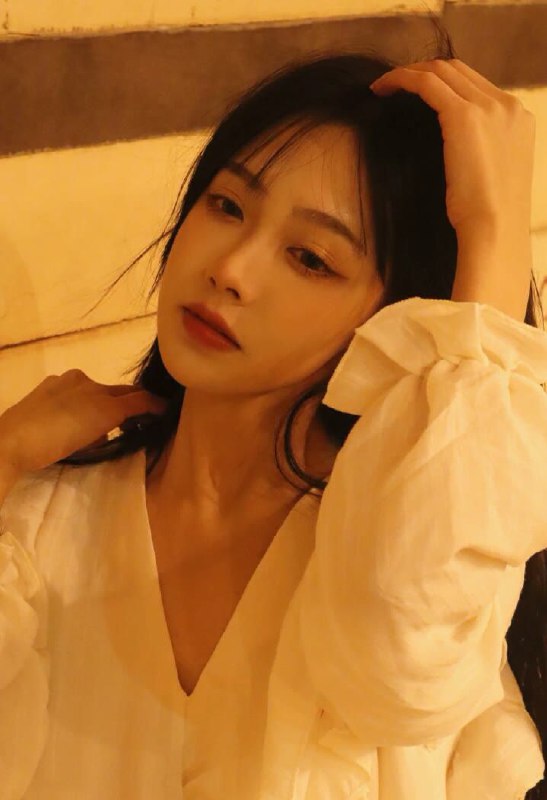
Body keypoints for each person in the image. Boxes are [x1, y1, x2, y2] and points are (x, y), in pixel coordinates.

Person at [1, 23, 546, 800]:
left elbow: (400, 672)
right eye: (226, 205)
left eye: (309, 258)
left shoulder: (394, 545)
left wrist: (492, 236)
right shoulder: (42, 517)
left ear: (395, 313)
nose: (229, 268)